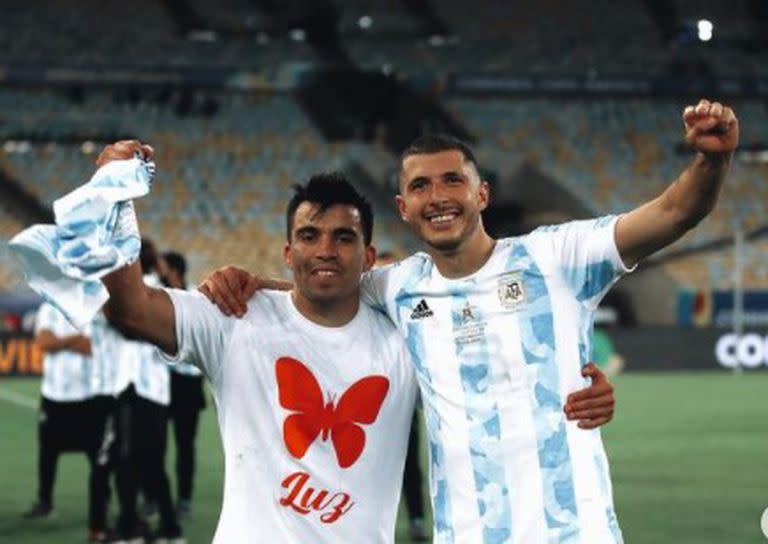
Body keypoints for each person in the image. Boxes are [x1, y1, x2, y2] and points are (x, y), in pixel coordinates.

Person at [200, 99, 738, 542]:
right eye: (420, 187)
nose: (438, 198)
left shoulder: (558, 258)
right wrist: (245, 281)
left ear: (481, 194)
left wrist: (710, 162)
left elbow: (671, 214)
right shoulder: (397, 286)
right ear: (403, 208)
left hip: (576, 530)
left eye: (452, 181)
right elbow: (325, 282)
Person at [77, 143, 614, 543]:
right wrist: (113, 198)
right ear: (288, 254)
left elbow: (491, 374)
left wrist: (583, 390)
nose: (326, 251)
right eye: (310, 237)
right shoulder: (233, 318)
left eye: (343, 238)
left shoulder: (406, 337)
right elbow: (129, 309)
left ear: (371, 256)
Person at [95, 238, 184, 543]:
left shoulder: (141, 291)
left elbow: (130, 328)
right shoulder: (159, 288)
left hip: (138, 386)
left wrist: (108, 303)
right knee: (151, 463)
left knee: (129, 461)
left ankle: (130, 527)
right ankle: (167, 528)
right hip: (152, 388)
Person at [23, 302, 115, 543]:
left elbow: (92, 347)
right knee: (47, 452)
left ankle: (100, 514)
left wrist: (60, 342)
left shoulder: (91, 307)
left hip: (88, 396)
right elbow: (43, 343)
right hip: (54, 395)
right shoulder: (47, 308)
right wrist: (73, 340)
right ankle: (45, 501)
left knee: (98, 459)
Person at [376, 250, 428, 542]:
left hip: (405, 408)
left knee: (410, 468)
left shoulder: (415, 312)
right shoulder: (361, 311)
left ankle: (418, 519)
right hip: (368, 409)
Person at [159, 250, 207, 517]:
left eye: (163, 267)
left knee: (184, 444)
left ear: (174, 270)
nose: (160, 271)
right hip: (163, 381)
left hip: (187, 384)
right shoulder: (160, 297)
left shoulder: (194, 299)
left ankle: (184, 499)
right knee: (155, 444)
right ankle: (156, 496)